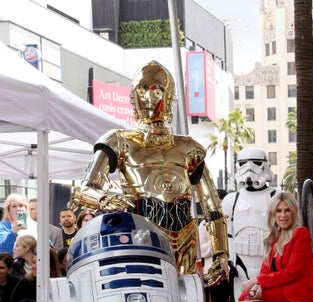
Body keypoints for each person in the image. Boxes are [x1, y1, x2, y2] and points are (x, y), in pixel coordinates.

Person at [69, 60, 229, 286]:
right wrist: (109, 200)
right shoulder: (119, 141)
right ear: (133, 95)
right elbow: (83, 190)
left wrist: (221, 253)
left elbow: (213, 207)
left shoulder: (189, 148)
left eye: (156, 90)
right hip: (141, 236)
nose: (148, 98)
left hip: (186, 241)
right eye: (142, 89)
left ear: (168, 94)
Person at [239, 191, 313, 302]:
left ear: (294, 212)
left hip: (298, 290)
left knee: (247, 297)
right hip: (282, 285)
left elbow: (291, 273)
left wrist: (258, 280)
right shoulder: (274, 236)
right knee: (247, 295)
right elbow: (265, 269)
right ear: (273, 214)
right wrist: (259, 285)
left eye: (287, 210)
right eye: (279, 211)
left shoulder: (301, 233)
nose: (283, 215)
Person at [222, 147, 277, 302]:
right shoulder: (231, 200)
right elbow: (229, 234)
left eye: (256, 163)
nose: (249, 168)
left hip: (268, 260)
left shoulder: (275, 196)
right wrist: (229, 261)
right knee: (240, 301)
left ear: (265, 165)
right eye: (243, 163)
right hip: (239, 261)